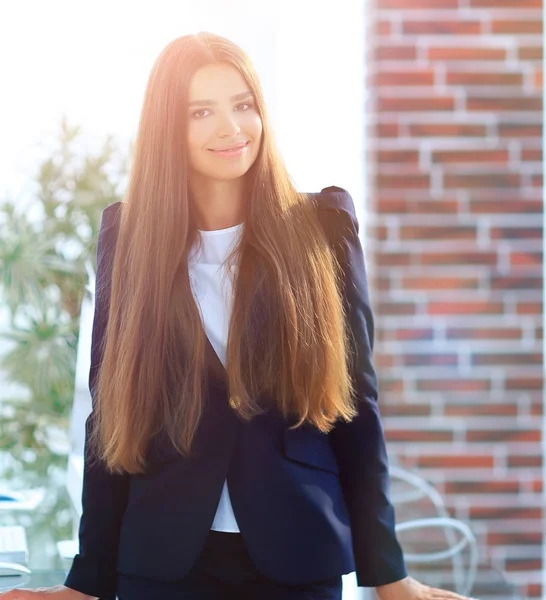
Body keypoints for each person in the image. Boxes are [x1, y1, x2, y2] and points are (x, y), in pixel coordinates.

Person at [0, 32, 479, 600]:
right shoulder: (128, 241)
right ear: (166, 128)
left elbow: (357, 412)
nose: (230, 127)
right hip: (160, 562)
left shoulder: (323, 229)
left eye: (243, 104)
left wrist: (389, 577)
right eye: (201, 111)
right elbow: (112, 415)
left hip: (297, 558)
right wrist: (87, 582)